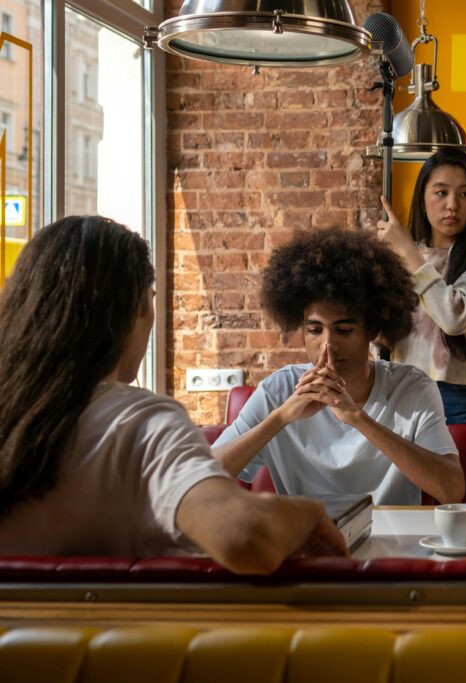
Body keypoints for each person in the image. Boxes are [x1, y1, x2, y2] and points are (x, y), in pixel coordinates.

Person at [0, 216, 347, 573]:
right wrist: (308, 513)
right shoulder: (142, 422)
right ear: (140, 308)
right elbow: (243, 535)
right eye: (151, 299)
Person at [212, 228, 464, 515]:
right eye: (314, 330)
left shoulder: (411, 388)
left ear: (372, 330)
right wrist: (281, 418)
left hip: (393, 539)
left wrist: (357, 418)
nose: (328, 344)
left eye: (344, 330)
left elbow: (451, 490)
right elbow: (200, 477)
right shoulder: (277, 391)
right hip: (308, 538)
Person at [376, 148, 466, 424]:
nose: (452, 205)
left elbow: (453, 318)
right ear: (422, 199)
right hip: (406, 392)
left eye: (465, 194)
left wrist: (408, 252)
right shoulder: (402, 252)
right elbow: (382, 338)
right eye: (441, 192)